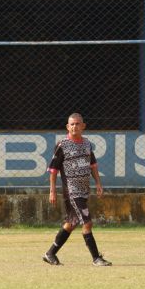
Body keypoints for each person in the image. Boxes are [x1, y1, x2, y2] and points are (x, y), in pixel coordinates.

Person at [43, 113, 112, 267]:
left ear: (83, 126)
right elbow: (53, 170)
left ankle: (50, 253)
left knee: (71, 222)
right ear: (68, 127)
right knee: (87, 222)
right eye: (72, 124)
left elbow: (93, 165)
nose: (74, 126)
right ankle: (96, 258)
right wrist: (52, 191)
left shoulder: (87, 144)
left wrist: (98, 184)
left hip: (84, 190)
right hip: (72, 192)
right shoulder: (63, 145)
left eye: (77, 124)